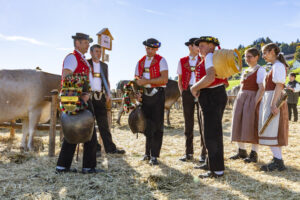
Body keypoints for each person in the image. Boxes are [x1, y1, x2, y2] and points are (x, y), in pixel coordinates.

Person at [56, 33, 103, 174]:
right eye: (85, 42)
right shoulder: (72, 57)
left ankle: (63, 166)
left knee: (74, 130)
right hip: (76, 99)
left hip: (81, 99)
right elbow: (66, 75)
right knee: (86, 131)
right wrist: (81, 94)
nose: (88, 45)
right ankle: (88, 167)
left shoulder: (81, 59)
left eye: (88, 43)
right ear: (77, 43)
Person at [191, 36, 228, 178]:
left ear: (212, 46)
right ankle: (210, 163)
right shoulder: (210, 57)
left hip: (212, 95)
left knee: (212, 134)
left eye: (202, 45)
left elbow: (210, 77)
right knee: (209, 132)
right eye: (198, 45)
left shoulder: (210, 56)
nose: (199, 48)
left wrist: (194, 88)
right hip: (213, 94)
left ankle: (217, 170)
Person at [134, 38, 168, 165]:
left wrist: (147, 81)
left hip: (158, 95)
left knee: (157, 125)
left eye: (152, 49)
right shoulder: (140, 62)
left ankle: (155, 155)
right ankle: (147, 153)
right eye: (148, 48)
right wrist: (137, 93)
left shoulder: (161, 60)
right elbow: (136, 80)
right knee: (146, 124)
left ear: (156, 49)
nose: (150, 51)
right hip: (145, 96)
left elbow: (164, 79)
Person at [87, 44, 125, 155]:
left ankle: (110, 149)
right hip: (88, 97)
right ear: (91, 52)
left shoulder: (104, 66)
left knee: (104, 124)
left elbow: (106, 80)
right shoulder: (86, 64)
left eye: (100, 52)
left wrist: (108, 93)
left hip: (100, 97)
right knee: (90, 124)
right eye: (96, 51)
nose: (99, 53)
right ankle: (95, 148)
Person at [230, 48, 266, 163]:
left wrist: (255, 103)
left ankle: (254, 154)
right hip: (242, 98)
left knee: (252, 125)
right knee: (238, 123)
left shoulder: (260, 70)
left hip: (252, 99)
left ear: (256, 57)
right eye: (245, 56)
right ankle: (241, 151)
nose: (247, 59)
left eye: (249, 56)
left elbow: (262, 88)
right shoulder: (246, 70)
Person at [259, 43, 289, 172]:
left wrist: (273, 104)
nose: (263, 56)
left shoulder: (278, 66)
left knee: (272, 129)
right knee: (271, 130)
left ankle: (278, 161)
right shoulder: (275, 66)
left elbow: (279, 85)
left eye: (265, 53)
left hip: (274, 98)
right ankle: (278, 159)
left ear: (272, 51)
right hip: (271, 97)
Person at [177, 38, 207, 163]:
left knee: (203, 123)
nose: (199, 48)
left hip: (201, 90)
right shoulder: (182, 61)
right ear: (190, 46)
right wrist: (183, 93)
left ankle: (204, 153)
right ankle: (188, 152)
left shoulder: (204, 60)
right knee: (188, 123)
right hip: (187, 91)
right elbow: (179, 79)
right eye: (197, 45)